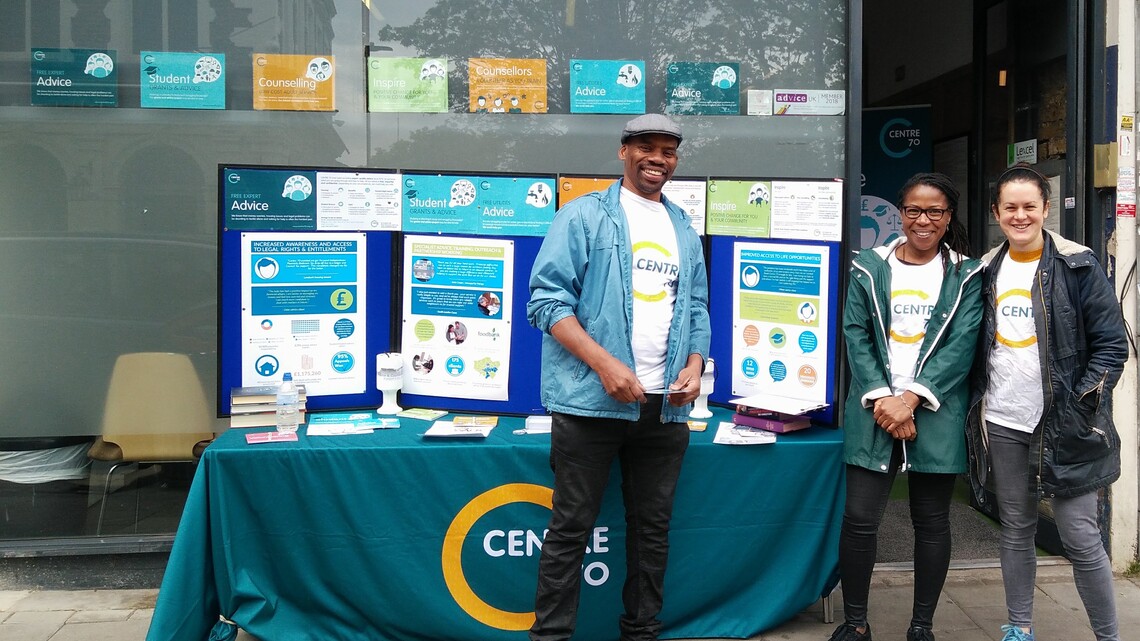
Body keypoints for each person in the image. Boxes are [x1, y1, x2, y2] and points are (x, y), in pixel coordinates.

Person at [526, 113, 711, 641]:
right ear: (623, 152)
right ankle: (551, 637)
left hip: (665, 407)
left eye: (669, 150)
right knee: (569, 530)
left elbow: (696, 306)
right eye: (647, 148)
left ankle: (641, 632)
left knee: (652, 533)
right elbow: (546, 302)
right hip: (590, 404)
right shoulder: (583, 216)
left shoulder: (682, 229)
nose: (659, 159)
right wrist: (606, 366)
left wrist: (695, 365)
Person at [966, 164, 1127, 641]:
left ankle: (1108, 636)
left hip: (1067, 423)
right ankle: (1019, 628)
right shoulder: (984, 269)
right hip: (1003, 419)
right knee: (1016, 528)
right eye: (1009, 208)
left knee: (1080, 536)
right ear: (996, 212)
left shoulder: (1079, 265)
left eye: (1029, 206)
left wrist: (1082, 404)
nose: (1020, 216)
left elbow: (1111, 346)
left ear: (1045, 209)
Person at [834, 172, 983, 641]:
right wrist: (885, 398)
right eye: (914, 210)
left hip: (935, 410)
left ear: (948, 217)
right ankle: (855, 623)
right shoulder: (868, 267)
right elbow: (855, 334)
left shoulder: (967, 273)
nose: (924, 220)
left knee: (932, 522)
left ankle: (922, 627)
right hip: (873, 406)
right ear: (901, 213)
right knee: (859, 520)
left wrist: (912, 399)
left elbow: (962, 346)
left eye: (935, 211)